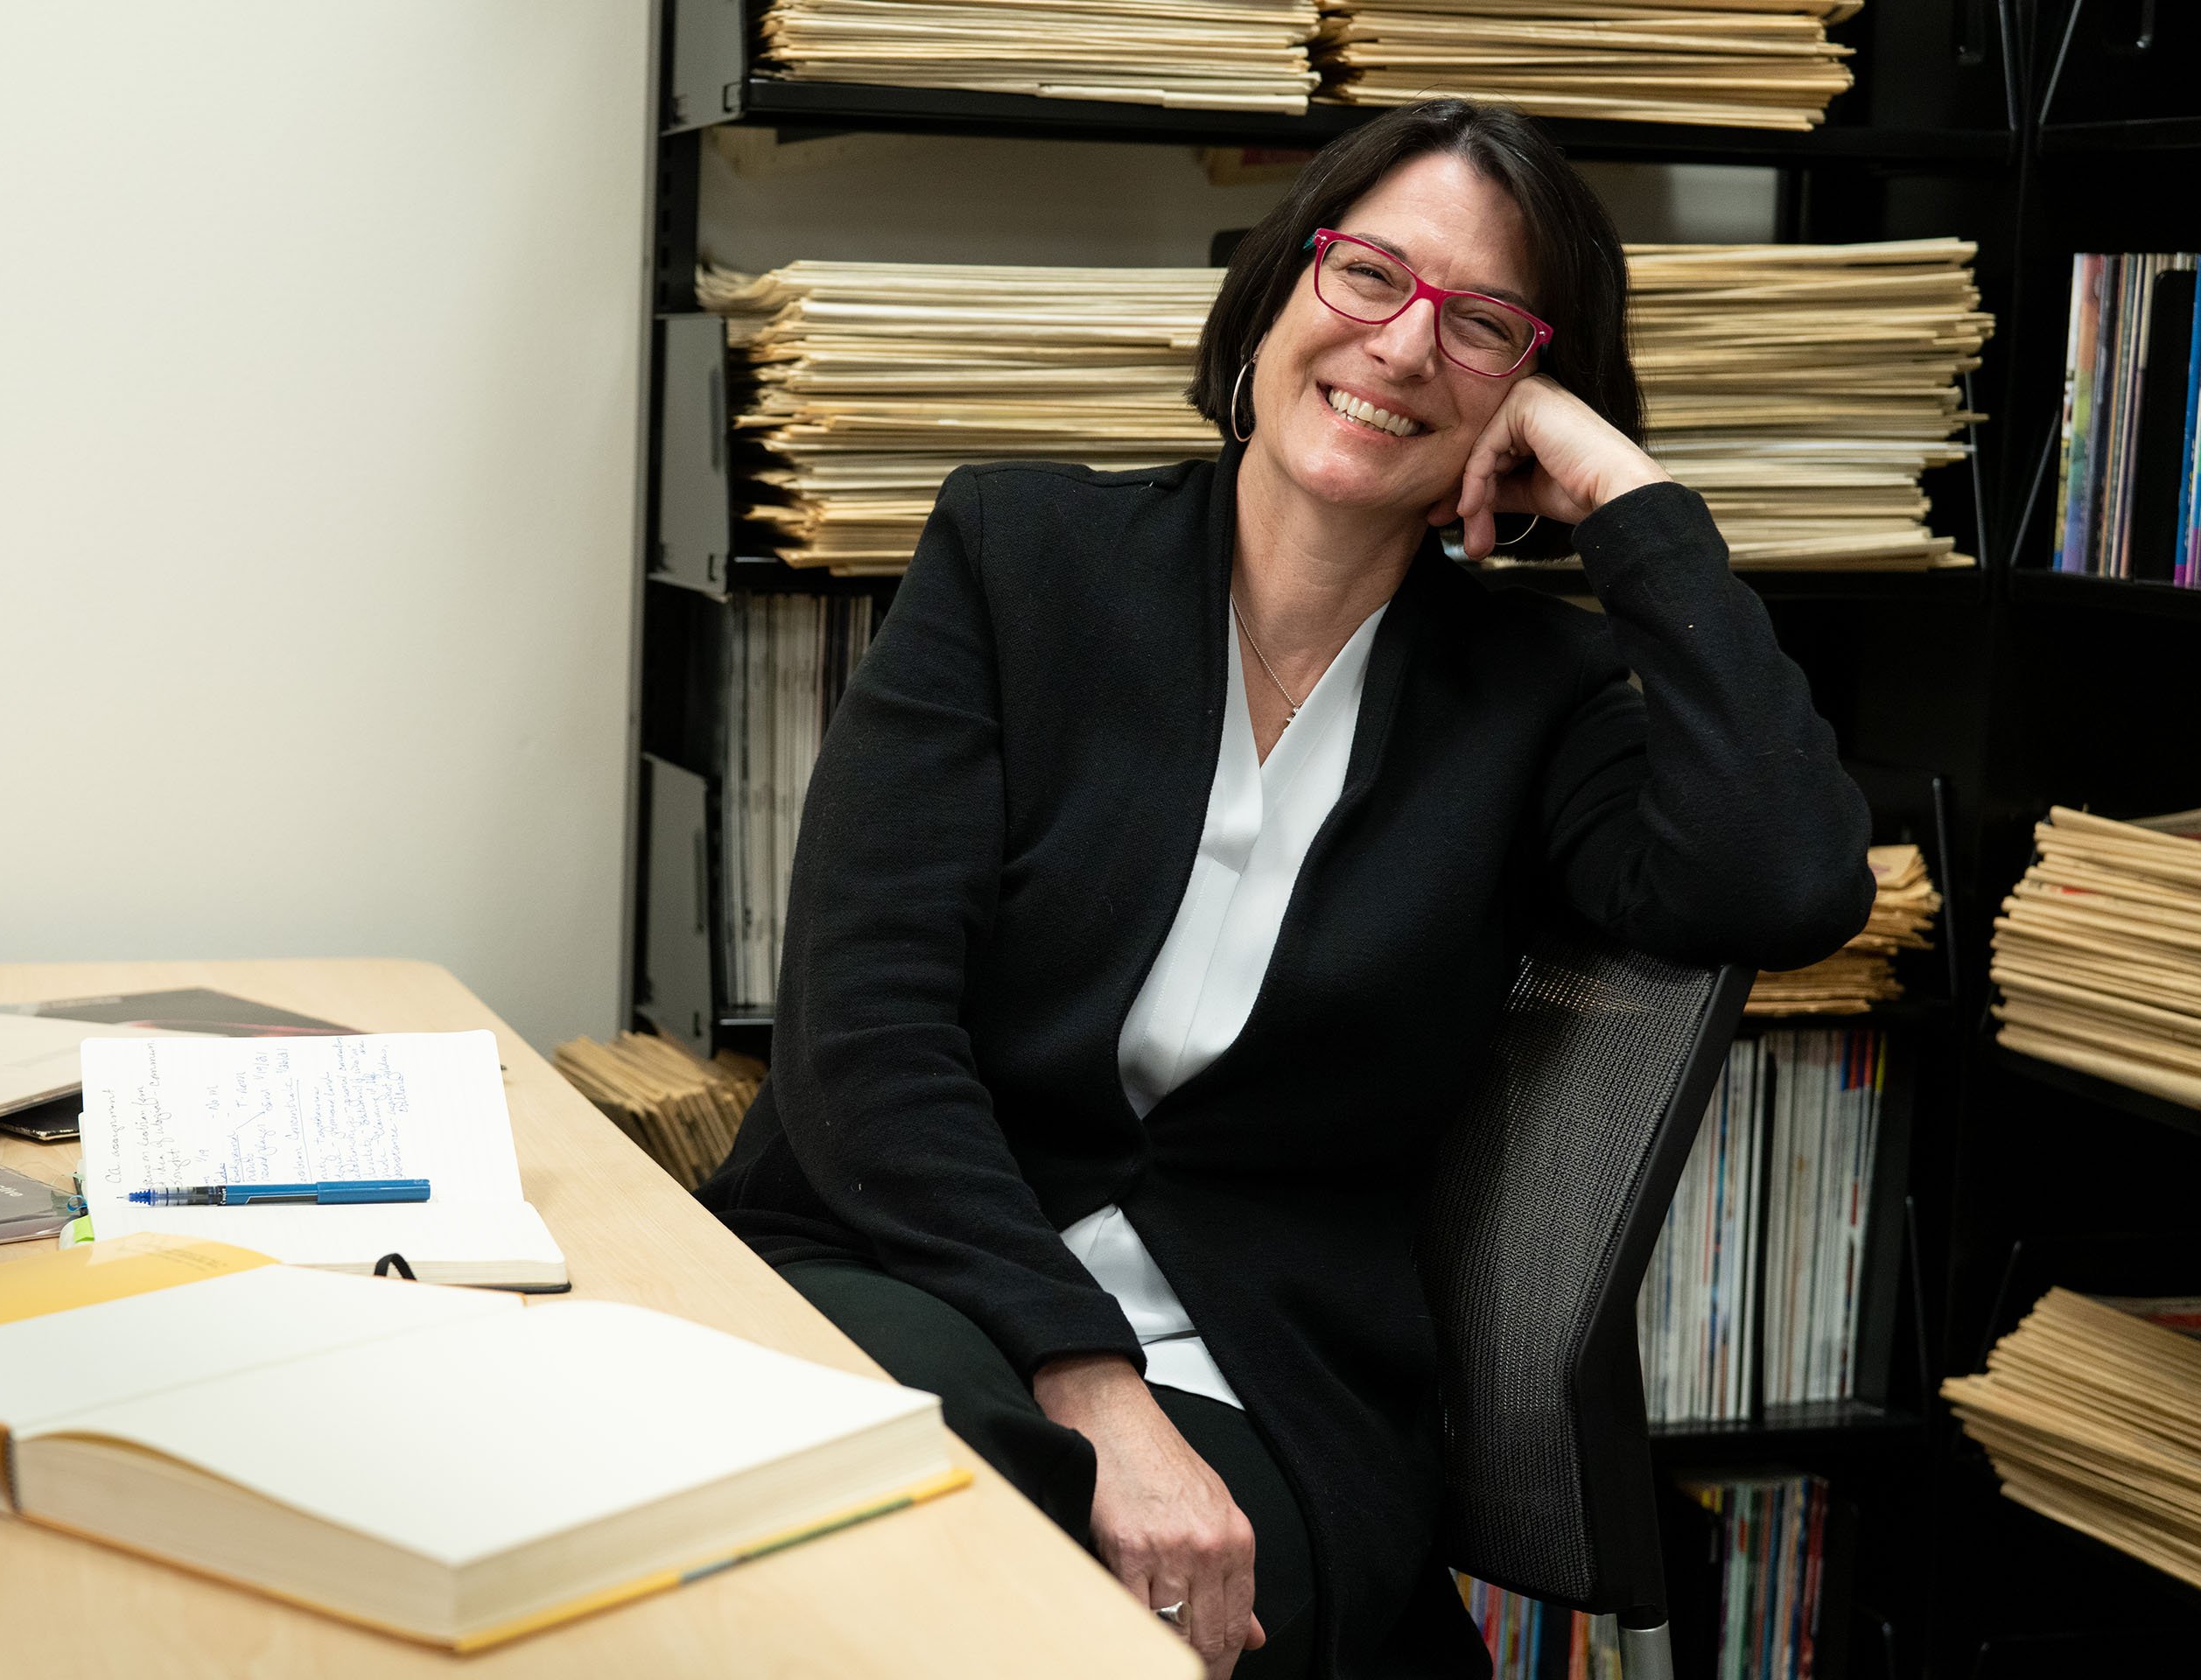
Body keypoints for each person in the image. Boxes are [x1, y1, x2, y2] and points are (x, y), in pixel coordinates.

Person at [695, 95, 1875, 1680]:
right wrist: (1092, 1386)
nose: (1402, 346)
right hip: (919, 1271)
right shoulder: (1021, 556)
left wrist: (1628, 505)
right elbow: (865, 1036)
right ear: (1277, 290)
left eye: (1485, 326)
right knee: (897, 1512)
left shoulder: (1534, 692)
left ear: (1538, 387)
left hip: (1268, 1381)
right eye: (1370, 275)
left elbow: (1788, 878)